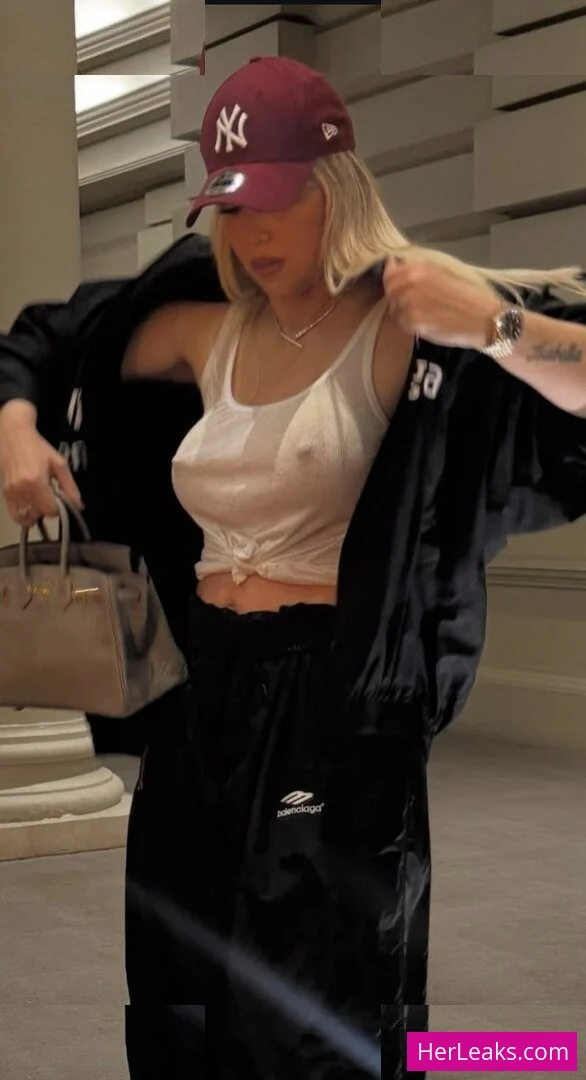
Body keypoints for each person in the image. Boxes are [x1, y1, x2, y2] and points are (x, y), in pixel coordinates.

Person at [1, 55, 586, 1080]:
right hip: (199, 691)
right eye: (231, 207)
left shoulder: (408, 326)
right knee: (181, 986)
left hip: (332, 701)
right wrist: (16, 425)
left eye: (277, 201)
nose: (251, 231)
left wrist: (496, 325)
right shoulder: (200, 325)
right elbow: (43, 339)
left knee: (321, 1009)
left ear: (338, 191)